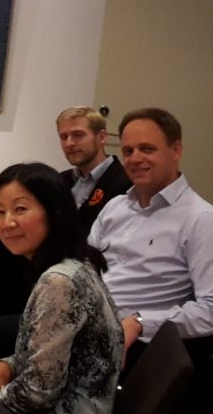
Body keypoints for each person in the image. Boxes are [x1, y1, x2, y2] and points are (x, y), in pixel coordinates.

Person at [0, 162, 123, 414]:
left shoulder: (58, 282)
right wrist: (8, 366)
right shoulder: (77, 261)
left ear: (54, 212)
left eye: (20, 209)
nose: (7, 222)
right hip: (78, 408)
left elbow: (39, 391)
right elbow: (47, 354)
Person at [89, 108, 213, 365]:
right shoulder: (114, 207)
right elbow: (84, 268)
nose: (135, 158)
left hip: (135, 343)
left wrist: (140, 322)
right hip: (85, 321)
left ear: (176, 150)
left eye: (147, 149)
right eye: (128, 151)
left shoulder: (201, 219)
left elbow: (210, 310)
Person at [55, 106, 131, 232]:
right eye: (64, 137)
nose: (69, 143)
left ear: (102, 137)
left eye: (78, 135)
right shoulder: (59, 181)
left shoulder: (127, 183)